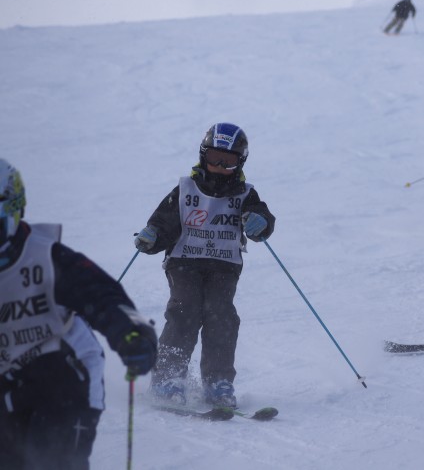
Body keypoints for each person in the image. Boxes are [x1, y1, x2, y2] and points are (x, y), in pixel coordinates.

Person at [0, 158, 157, 470]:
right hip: (7, 383)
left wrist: (131, 333)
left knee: (53, 461)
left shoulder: (45, 255)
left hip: (64, 375)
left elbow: (101, 294)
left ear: (15, 209)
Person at [134, 123, 275, 409]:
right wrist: (151, 237)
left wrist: (261, 224)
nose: (221, 166)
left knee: (221, 315)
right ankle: (168, 378)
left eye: (229, 161)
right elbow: (164, 223)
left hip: (224, 265)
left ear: (241, 162)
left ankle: (218, 382)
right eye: (215, 158)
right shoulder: (186, 190)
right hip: (185, 261)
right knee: (184, 310)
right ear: (203, 155)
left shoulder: (245, 194)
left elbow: (262, 220)